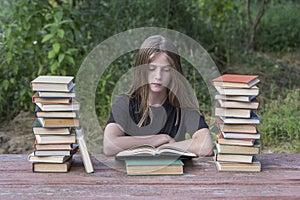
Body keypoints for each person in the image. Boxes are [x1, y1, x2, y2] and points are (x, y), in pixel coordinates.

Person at [103, 35, 213, 156]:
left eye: (166, 70)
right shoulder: (125, 103)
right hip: (132, 173)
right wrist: (156, 140)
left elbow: (206, 146)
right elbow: (109, 145)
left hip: (172, 173)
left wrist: (168, 147)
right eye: (151, 68)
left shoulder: (181, 105)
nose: (158, 76)